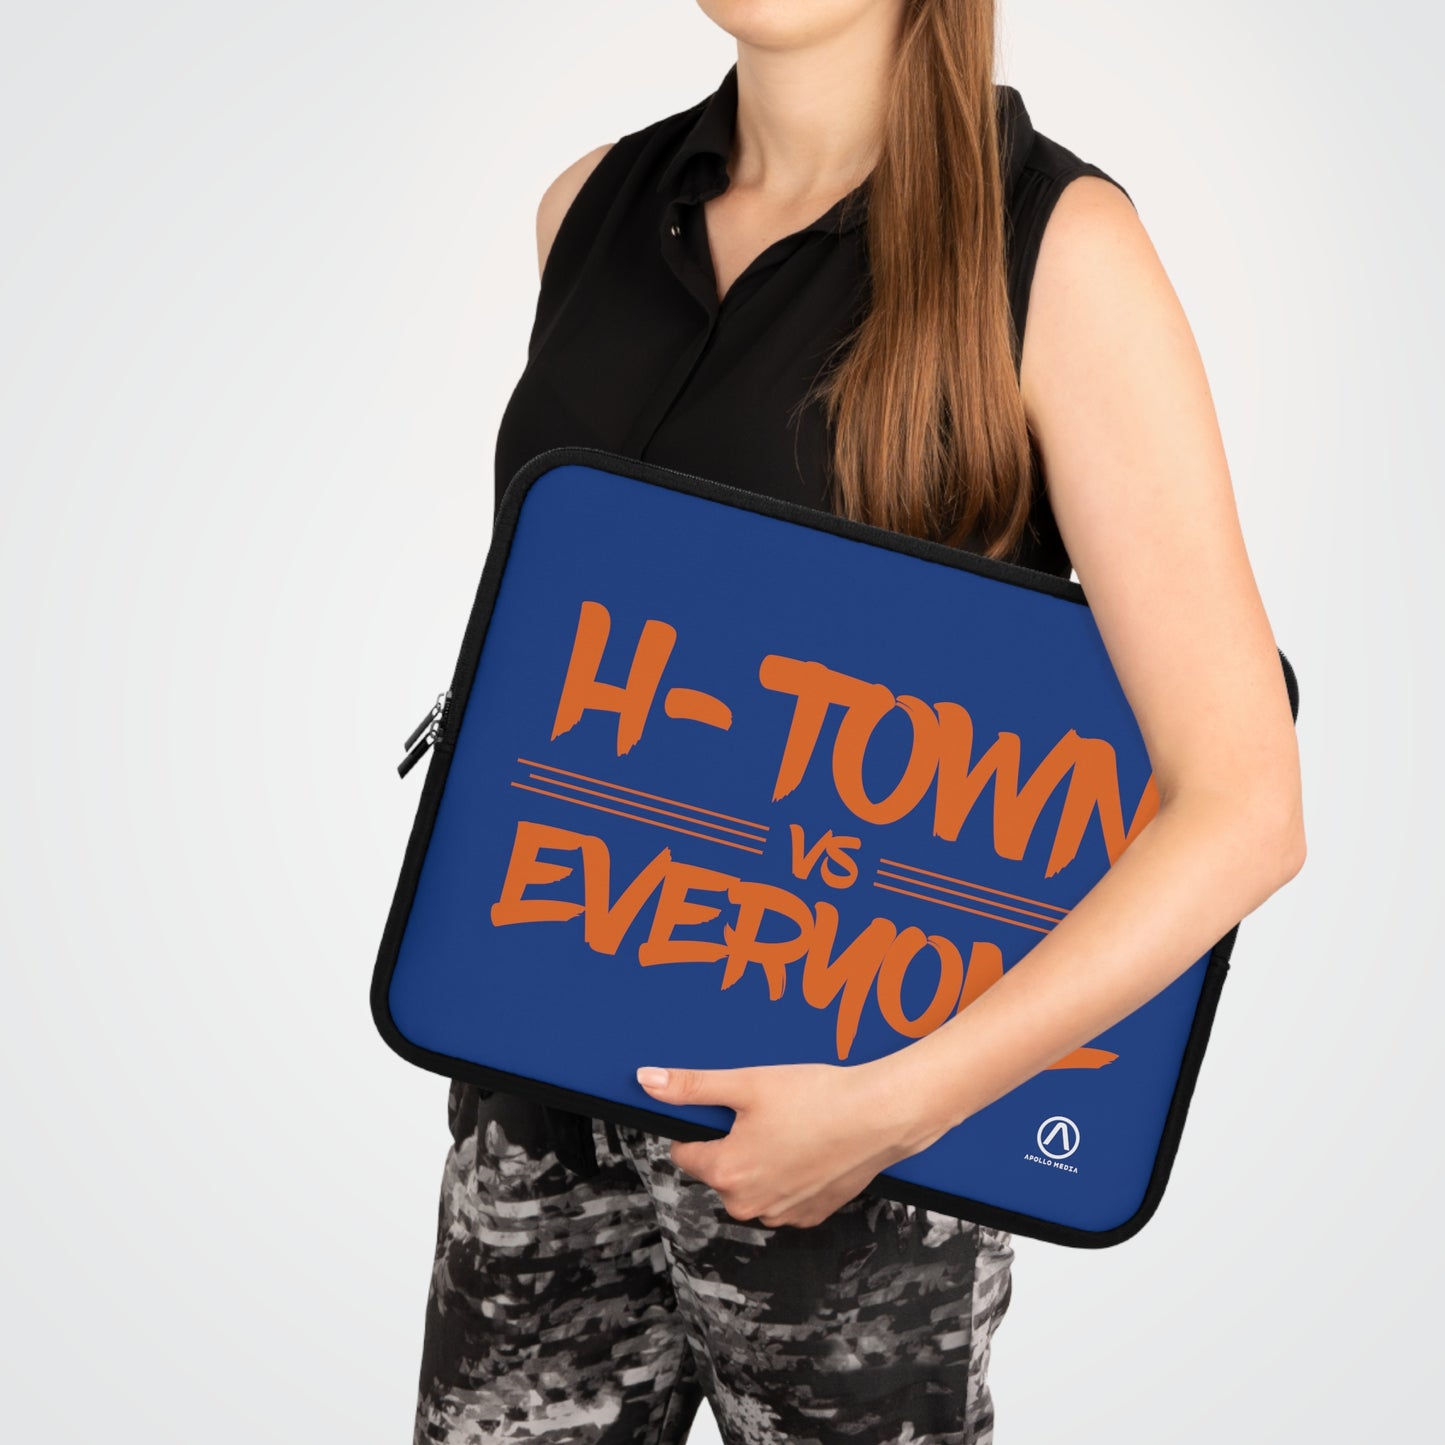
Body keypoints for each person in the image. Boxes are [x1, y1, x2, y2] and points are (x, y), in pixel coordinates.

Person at [412, 3, 1306, 1442]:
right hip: (536, 1094)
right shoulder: (586, 207)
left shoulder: (1059, 252)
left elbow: (1245, 806)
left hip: (860, 1159)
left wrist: (895, 1107)